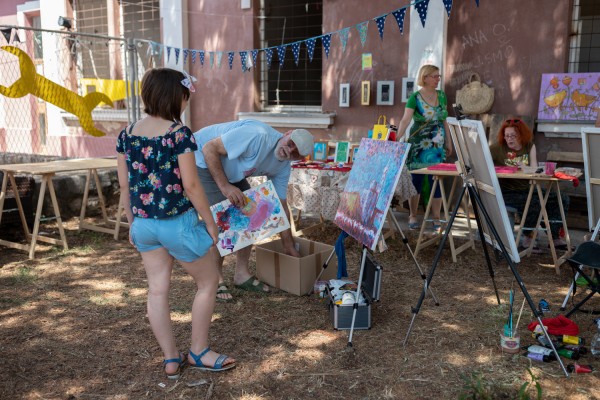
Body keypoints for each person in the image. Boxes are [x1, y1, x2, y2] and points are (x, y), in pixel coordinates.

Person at [117, 68, 236, 379]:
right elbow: (192, 186)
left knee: (157, 291)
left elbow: (125, 186)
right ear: (174, 96)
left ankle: (171, 359)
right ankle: (199, 351)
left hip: (144, 225)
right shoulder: (178, 134)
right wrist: (210, 223)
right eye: (184, 97)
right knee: (208, 282)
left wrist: (132, 223)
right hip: (177, 224)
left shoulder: (126, 133)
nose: (185, 103)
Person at [193, 119, 314, 301]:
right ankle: (214, 279)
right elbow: (209, 148)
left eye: (295, 154)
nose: (289, 151)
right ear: (287, 133)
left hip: (231, 170)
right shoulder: (258, 135)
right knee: (222, 220)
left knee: (252, 212)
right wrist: (225, 187)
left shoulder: (282, 166)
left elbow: (281, 205)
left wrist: (289, 246)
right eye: (290, 144)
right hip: (201, 159)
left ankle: (241, 274)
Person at [489, 118, 570, 251]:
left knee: (560, 198)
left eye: (513, 136)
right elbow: (483, 164)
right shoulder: (497, 149)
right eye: (507, 135)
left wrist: (525, 168)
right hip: (507, 192)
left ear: (522, 135)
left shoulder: (529, 146)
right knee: (534, 201)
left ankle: (555, 238)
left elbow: (535, 169)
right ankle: (529, 238)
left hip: (528, 188)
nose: (509, 139)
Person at [396, 64, 453, 232]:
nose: (438, 79)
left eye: (438, 76)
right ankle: (413, 214)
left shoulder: (442, 96)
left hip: (437, 144)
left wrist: (449, 142)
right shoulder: (415, 97)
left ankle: (436, 217)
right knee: (416, 180)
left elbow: (444, 120)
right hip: (418, 144)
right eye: (435, 76)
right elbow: (405, 120)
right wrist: (396, 139)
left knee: (436, 180)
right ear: (425, 77)